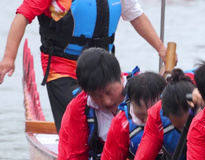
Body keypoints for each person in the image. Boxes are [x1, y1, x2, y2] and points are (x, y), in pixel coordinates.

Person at [0, 0, 169, 132]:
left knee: (133, 108)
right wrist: (9, 58)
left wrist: (161, 49)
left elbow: (136, 15)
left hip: (102, 71)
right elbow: (23, 16)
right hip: (63, 69)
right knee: (85, 114)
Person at [54, 47, 126, 160]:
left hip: (128, 159)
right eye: (97, 96)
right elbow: (75, 157)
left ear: (120, 78)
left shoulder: (142, 91)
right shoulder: (78, 108)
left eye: (109, 92)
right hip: (95, 156)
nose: (107, 101)